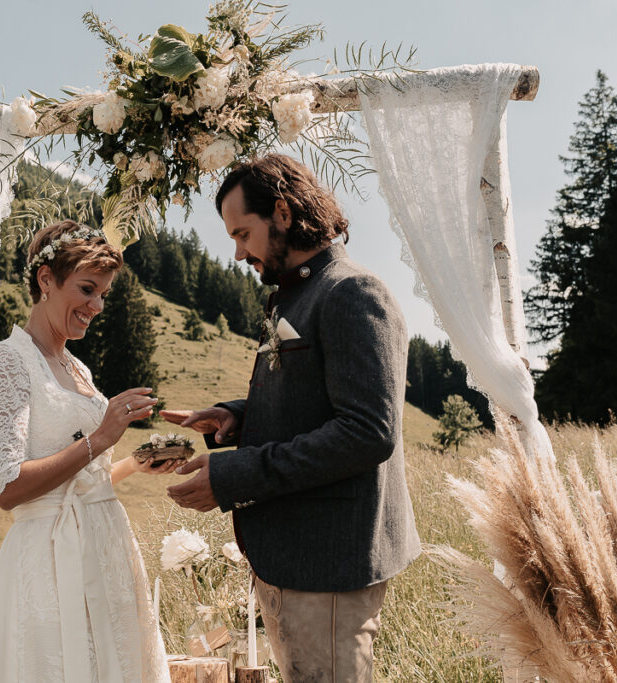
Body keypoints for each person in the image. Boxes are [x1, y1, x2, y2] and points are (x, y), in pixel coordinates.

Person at [163, 154, 421, 682]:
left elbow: (367, 432)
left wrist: (232, 475)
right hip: (294, 558)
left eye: (242, 233)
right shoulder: (296, 295)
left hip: (329, 560)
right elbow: (313, 399)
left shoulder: (351, 293)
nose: (237, 253)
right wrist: (236, 416)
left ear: (282, 212)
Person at [0, 219, 173, 682]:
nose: (96, 306)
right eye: (86, 289)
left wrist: (138, 462)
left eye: (103, 294)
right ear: (45, 280)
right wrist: (100, 438)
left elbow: (84, 483)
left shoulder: (77, 368)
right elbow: (8, 486)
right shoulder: (6, 361)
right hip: (50, 562)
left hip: (106, 548)